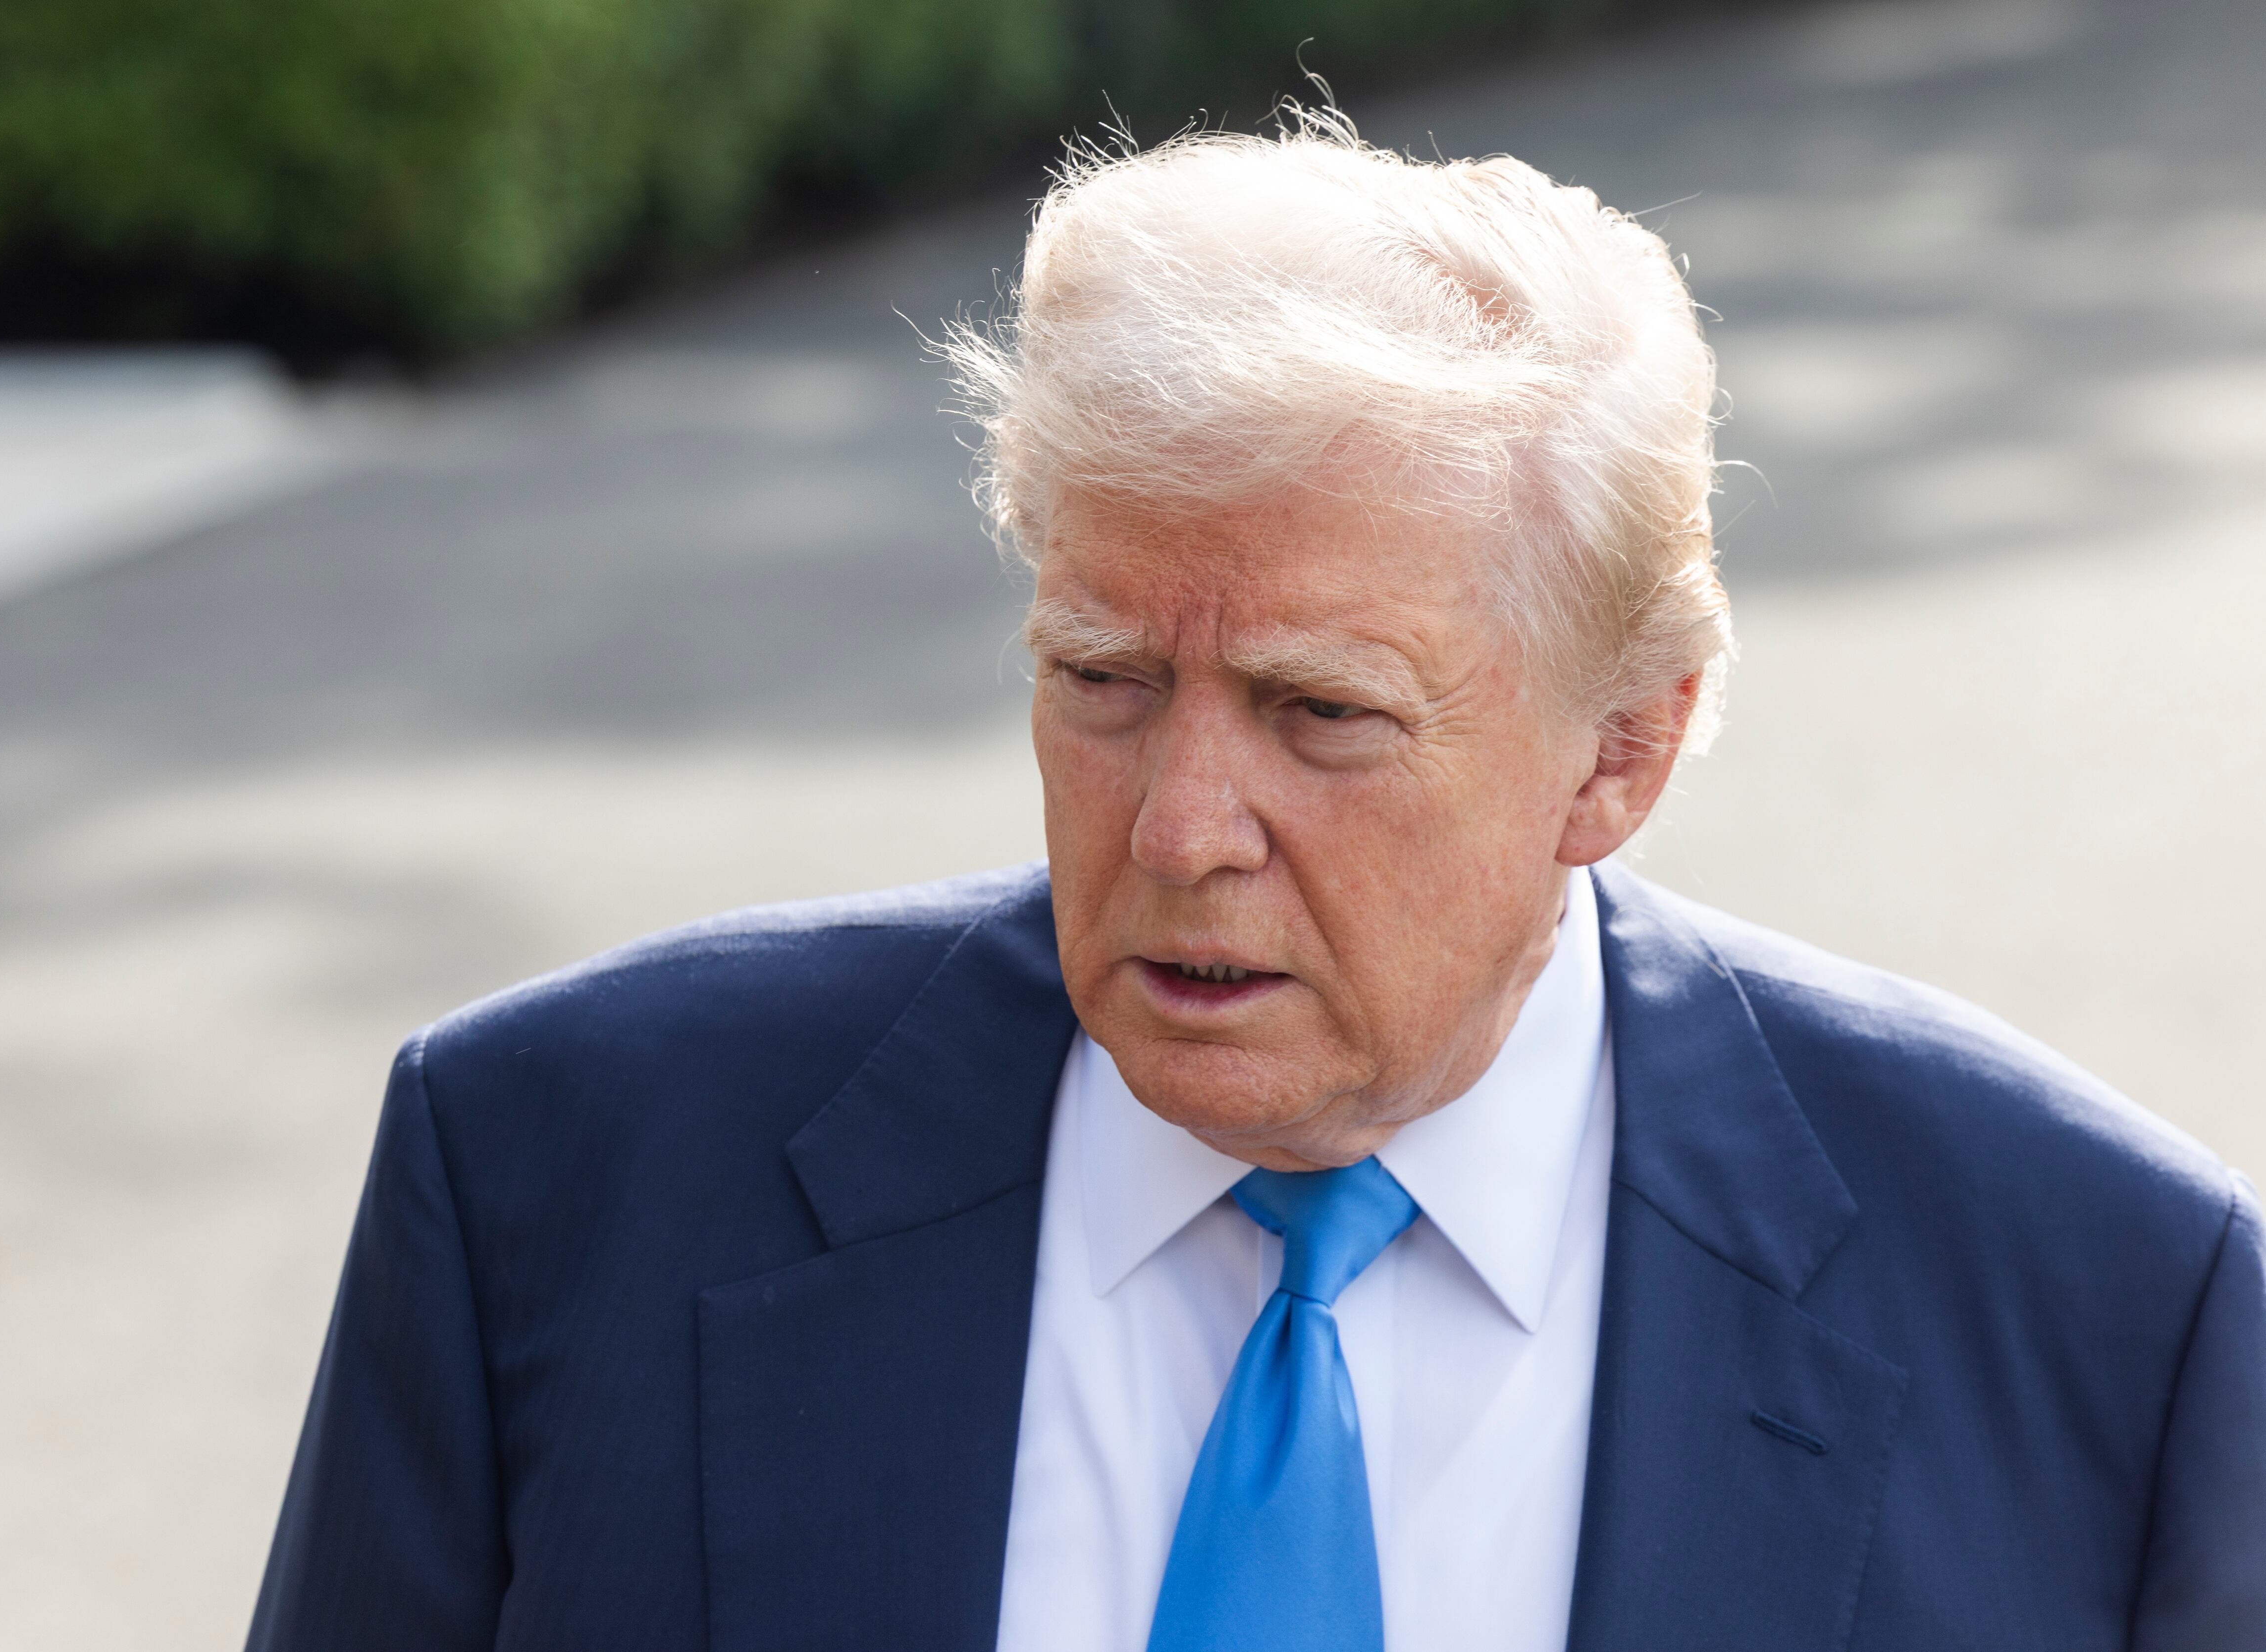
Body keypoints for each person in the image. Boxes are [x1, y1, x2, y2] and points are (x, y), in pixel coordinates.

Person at [245, 110, 2265, 1652]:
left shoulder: (2109, 1310)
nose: (1179, 827)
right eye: (1101, 681)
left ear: (1620, 753)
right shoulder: (553, 1173)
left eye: (1320, 714)